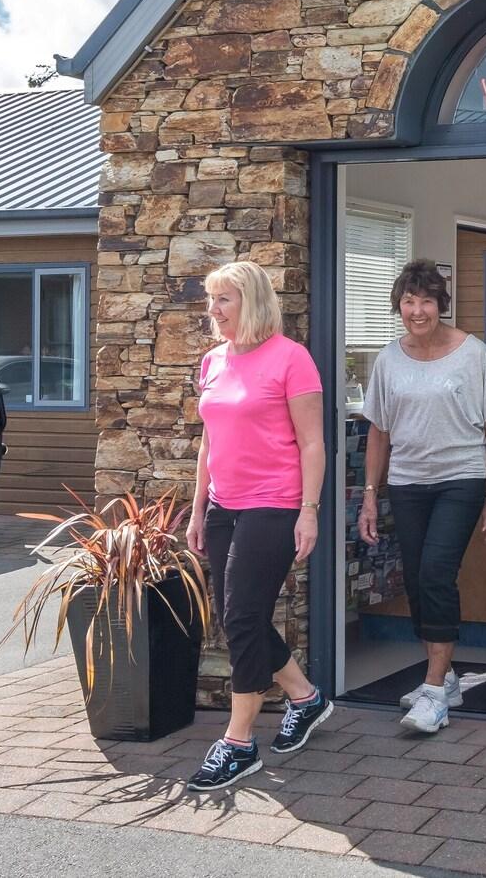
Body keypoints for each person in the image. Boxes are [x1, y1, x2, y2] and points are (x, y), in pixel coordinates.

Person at [183, 260, 331, 792]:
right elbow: (208, 442)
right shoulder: (213, 362)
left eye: (224, 299)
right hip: (224, 505)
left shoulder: (292, 361)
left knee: (244, 616)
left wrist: (309, 510)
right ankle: (305, 696)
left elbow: (312, 442)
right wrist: (198, 510)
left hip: (275, 503)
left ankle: (239, 743)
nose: (214, 310)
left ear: (253, 302)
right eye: (211, 300)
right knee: (233, 616)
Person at [357, 258, 486, 735]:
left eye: (425, 301)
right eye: (408, 301)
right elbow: (378, 432)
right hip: (407, 483)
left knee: (437, 574)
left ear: (440, 304)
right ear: (398, 306)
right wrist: (368, 496)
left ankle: (433, 689)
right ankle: (446, 679)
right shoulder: (388, 358)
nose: (417, 310)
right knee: (419, 582)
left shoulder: (471, 352)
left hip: (460, 478)